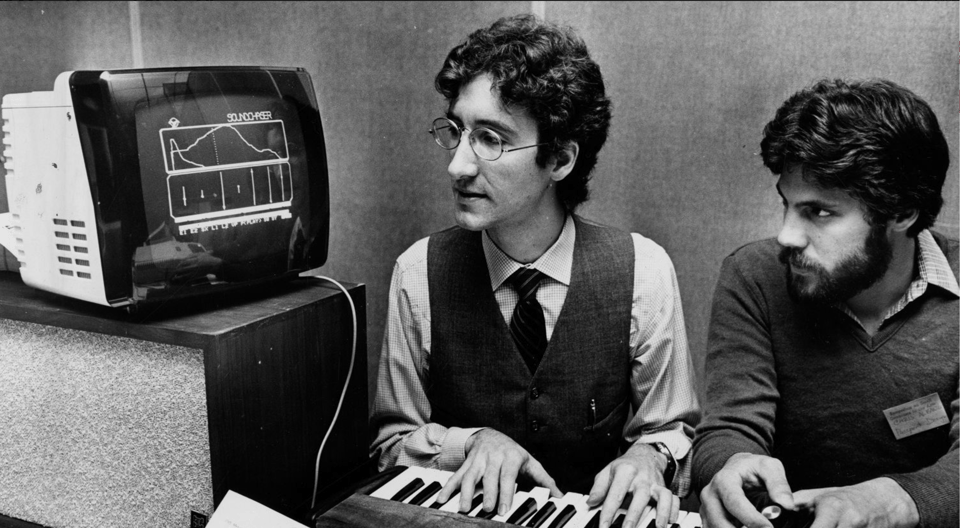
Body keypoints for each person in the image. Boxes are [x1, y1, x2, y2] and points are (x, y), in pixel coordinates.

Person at [370, 14, 699, 528]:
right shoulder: (417, 272)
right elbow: (391, 446)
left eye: (491, 139)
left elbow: (671, 431)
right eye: (457, 132)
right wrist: (469, 442)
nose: (458, 165)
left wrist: (648, 459)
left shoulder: (644, 271)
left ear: (561, 159)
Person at [692, 78, 958, 528]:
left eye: (820, 212)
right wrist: (729, 464)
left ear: (902, 212)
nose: (786, 236)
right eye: (787, 204)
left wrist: (890, 500)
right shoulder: (753, 275)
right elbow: (731, 424)